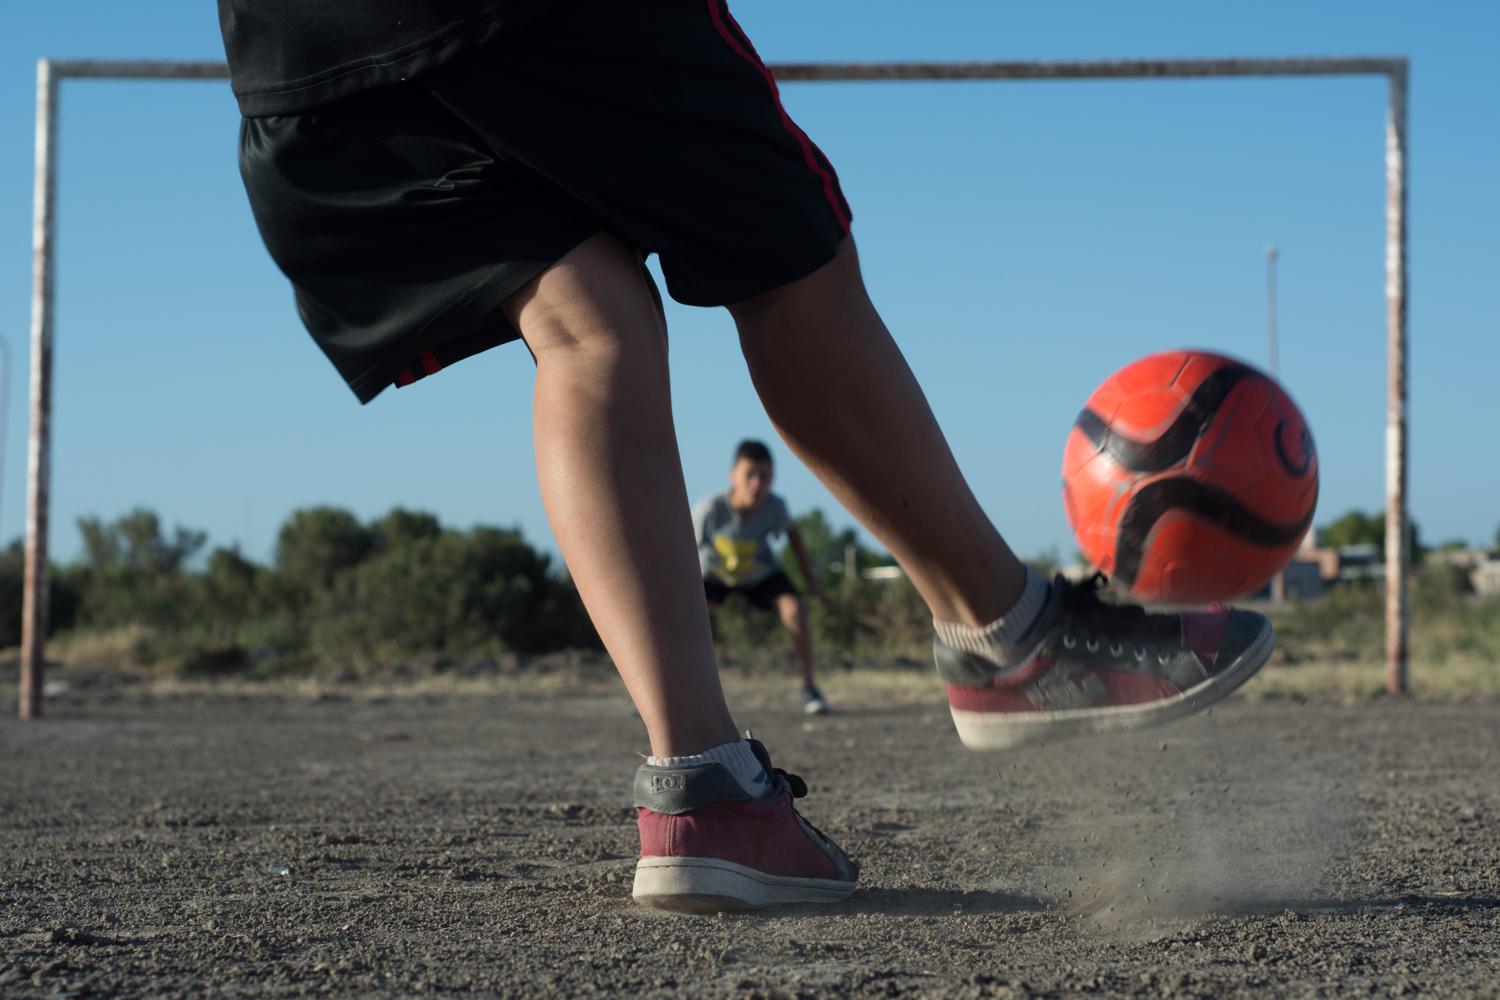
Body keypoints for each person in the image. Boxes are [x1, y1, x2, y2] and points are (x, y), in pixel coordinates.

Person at [219, 0, 1275, 912]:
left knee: (586, 324)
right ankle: (1012, 632)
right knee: (794, 262)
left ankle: (704, 789)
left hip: (292, 49)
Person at [694, 440, 833, 715]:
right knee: (691, 619)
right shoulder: (709, 510)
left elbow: (794, 535)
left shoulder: (775, 506)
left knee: (794, 610)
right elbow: (683, 546)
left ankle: (809, 688)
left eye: (765, 476)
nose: (757, 483)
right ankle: (673, 694)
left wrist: (811, 582)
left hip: (760, 575)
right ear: (733, 476)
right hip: (715, 575)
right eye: (750, 475)